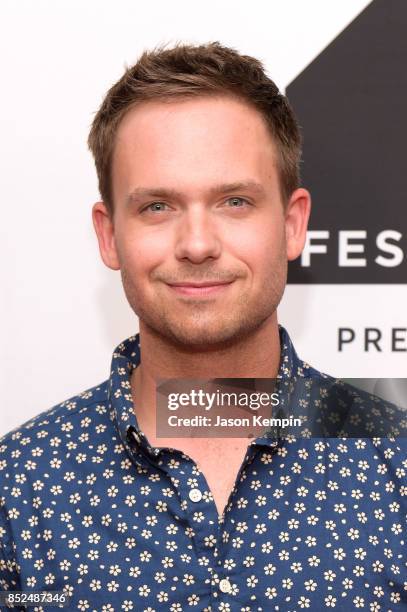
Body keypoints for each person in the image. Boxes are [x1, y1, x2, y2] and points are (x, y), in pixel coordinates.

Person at [0, 42, 405, 612]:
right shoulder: (19, 489)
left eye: (235, 201)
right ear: (109, 234)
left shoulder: (396, 468)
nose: (196, 244)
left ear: (293, 226)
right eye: (158, 207)